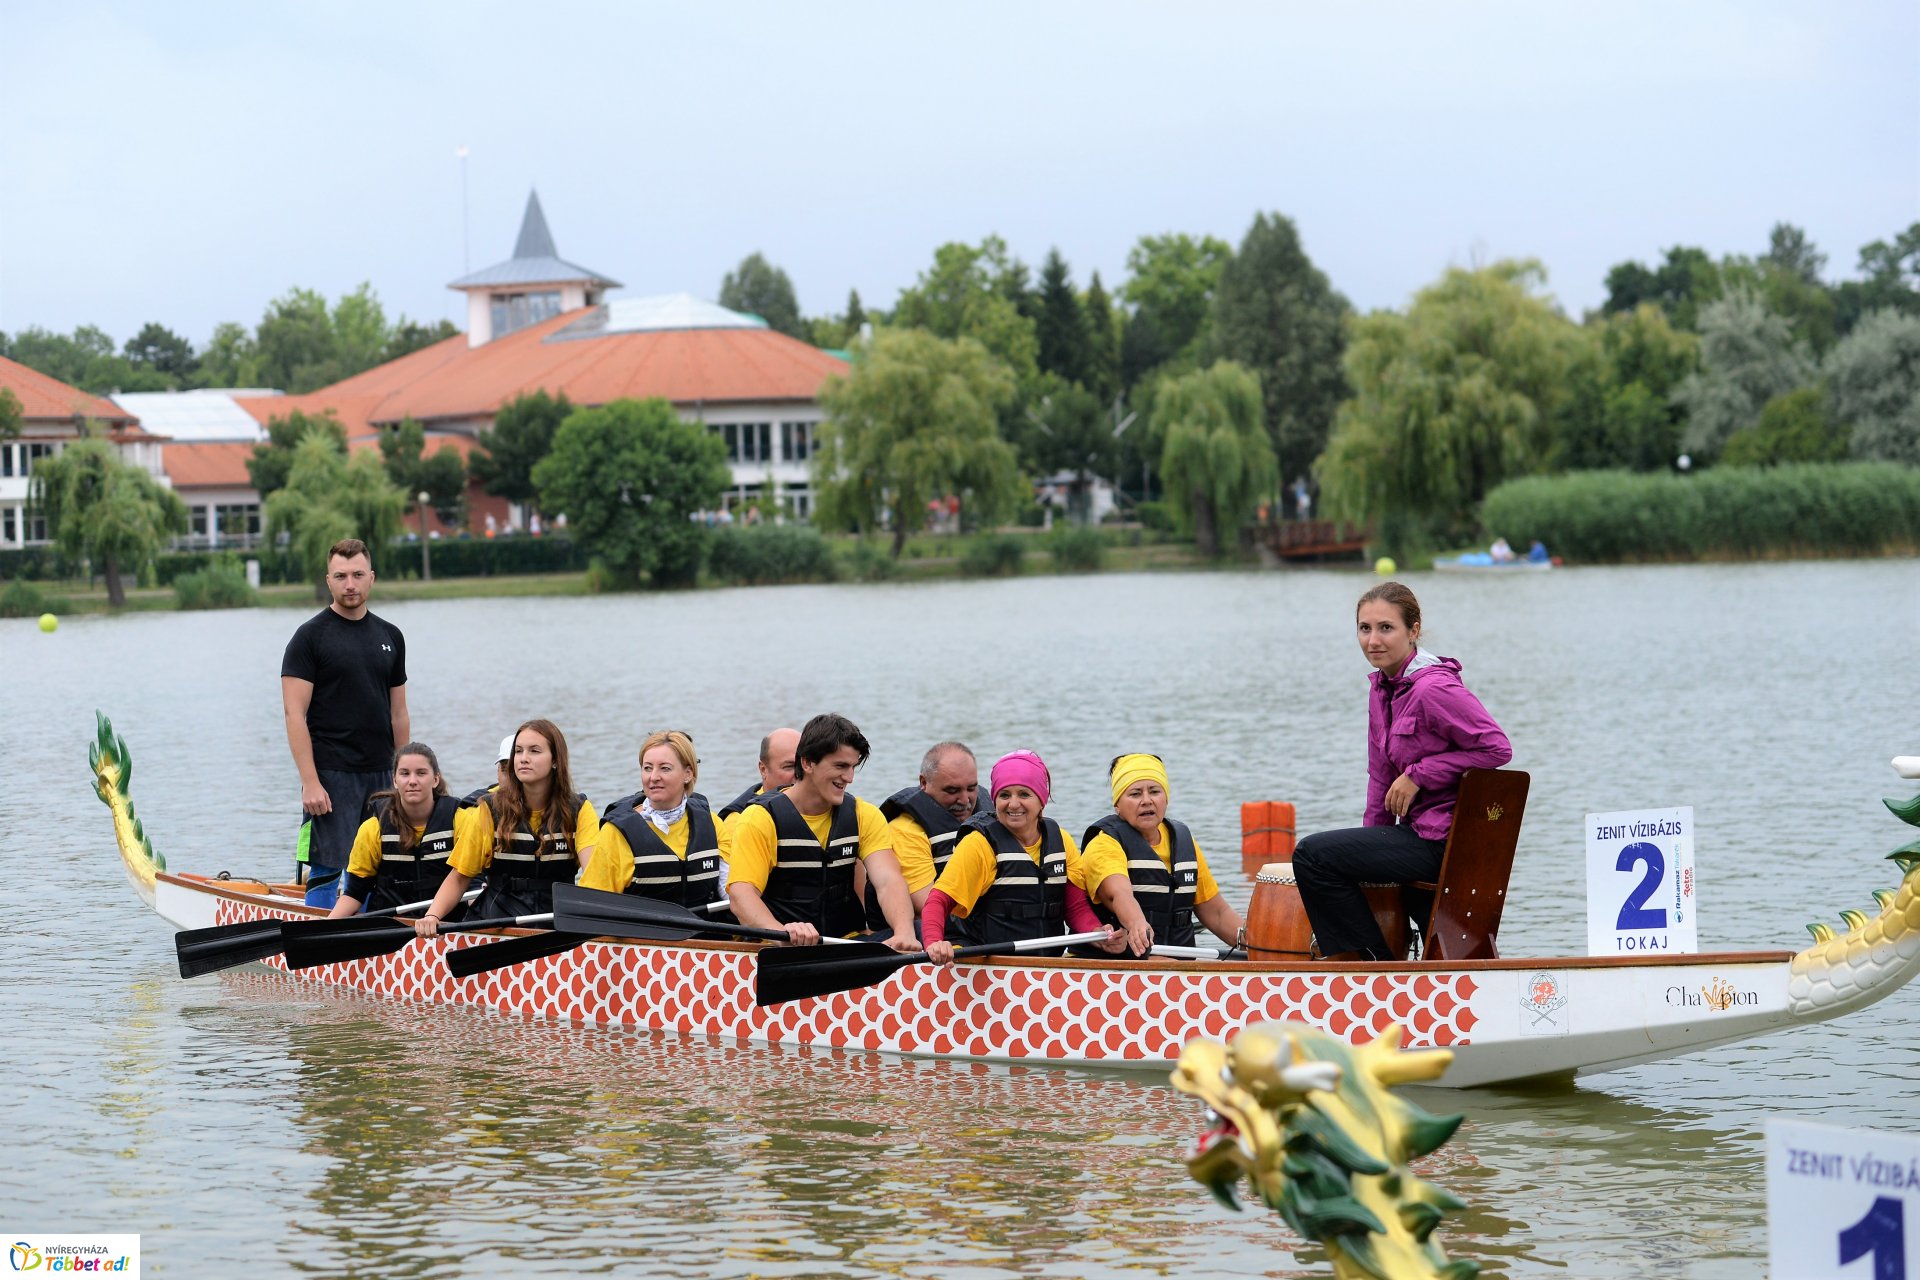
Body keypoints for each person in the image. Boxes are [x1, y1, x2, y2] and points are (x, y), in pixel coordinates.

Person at [1292, 582, 1513, 961]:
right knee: (1333, 858)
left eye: (1386, 628)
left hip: (1444, 840)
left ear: (1413, 631)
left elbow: (1496, 748)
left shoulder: (1433, 689)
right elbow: (1380, 776)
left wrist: (1420, 774)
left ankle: (1373, 966)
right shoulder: (1383, 688)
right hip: (1416, 836)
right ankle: (1392, 973)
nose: (1373, 640)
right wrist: (1369, 845)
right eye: (1364, 628)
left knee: (1312, 856)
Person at [281, 538, 409, 909]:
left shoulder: (390, 636)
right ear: (329, 580)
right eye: (340, 576)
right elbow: (294, 714)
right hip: (330, 775)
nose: (350, 584)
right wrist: (310, 782)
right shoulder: (309, 637)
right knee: (328, 866)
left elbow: (399, 713)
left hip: (381, 774)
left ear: (372, 578)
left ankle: (372, 935)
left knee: (379, 868)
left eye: (357, 575)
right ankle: (318, 934)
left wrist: (401, 774)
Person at [725, 713, 918, 949]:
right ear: (807, 763)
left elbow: (888, 881)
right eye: (840, 766)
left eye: (853, 767)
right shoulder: (760, 819)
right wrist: (780, 933)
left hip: (845, 941)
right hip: (779, 947)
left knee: (919, 931)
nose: (849, 778)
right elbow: (741, 895)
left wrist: (904, 932)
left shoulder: (864, 815)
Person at [922, 750, 1123, 963]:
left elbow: (1075, 907)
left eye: (1024, 794)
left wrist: (1097, 934)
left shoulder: (1062, 841)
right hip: (986, 962)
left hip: (1046, 963)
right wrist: (935, 943)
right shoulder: (979, 844)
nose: (1013, 804)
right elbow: (937, 902)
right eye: (1004, 795)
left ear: (1041, 800)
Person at [415, 719, 597, 932]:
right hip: (498, 923)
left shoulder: (579, 810)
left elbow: (594, 875)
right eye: (518, 751)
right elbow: (459, 876)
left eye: (534, 751)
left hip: (556, 922)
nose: (523, 758)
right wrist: (432, 916)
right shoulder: (489, 810)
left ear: (556, 760)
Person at [1078, 754, 1243, 957]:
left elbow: (1217, 913)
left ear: (1166, 798)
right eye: (1135, 794)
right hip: (1120, 961)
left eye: (1155, 791)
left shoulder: (1183, 840)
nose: (1146, 801)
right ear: (1117, 805)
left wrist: (1258, 943)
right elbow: (1119, 894)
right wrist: (1137, 923)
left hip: (1177, 962)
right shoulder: (1103, 844)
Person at [581, 730, 724, 908]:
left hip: (703, 926)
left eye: (665, 768)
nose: (653, 777)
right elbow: (590, 906)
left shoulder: (712, 825)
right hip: (638, 926)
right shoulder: (616, 833)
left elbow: (732, 891)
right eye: (647, 768)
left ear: (688, 774)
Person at [327, 743, 461, 918]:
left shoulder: (459, 819)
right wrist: (326, 925)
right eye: (404, 773)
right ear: (395, 781)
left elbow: (472, 881)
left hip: (448, 924)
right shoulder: (373, 827)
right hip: (391, 925)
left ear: (435, 779)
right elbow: (354, 893)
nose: (412, 781)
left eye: (421, 773)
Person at [858, 741, 980, 931]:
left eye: (971, 788)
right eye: (952, 791)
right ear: (924, 783)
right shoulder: (905, 831)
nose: (965, 801)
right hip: (927, 932)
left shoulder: (993, 815)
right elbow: (927, 906)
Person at [715, 727, 800, 861]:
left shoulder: (824, 805)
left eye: (804, 764)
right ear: (763, 769)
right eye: (789, 767)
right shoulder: (738, 821)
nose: (800, 774)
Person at [461, 734, 514, 804]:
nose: (511, 779)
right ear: (498, 771)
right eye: (505, 770)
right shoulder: (475, 803)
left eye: (516, 771)